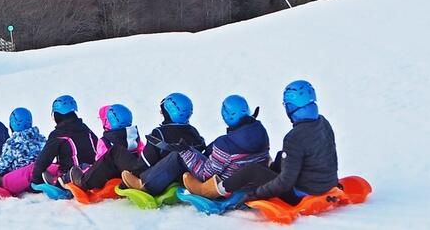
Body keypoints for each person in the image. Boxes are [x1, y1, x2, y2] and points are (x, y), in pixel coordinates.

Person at [184, 80, 339, 205]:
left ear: (290, 107)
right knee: (281, 156)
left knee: (253, 170)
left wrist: (256, 193)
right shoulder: (323, 122)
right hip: (326, 184)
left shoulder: (294, 138)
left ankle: (210, 190)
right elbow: (329, 156)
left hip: (299, 193)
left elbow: (285, 184)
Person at [121, 94, 269, 196]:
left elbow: (207, 173)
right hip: (243, 178)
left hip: (221, 183)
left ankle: (145, 184)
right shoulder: (260, 132)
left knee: (177, 155)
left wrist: (185, 152)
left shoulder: (225, 143)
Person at [65, 104, 144, 190]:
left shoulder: (105, 141)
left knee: (83, 167)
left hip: (111, 177)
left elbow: (100, 161)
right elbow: (141, 152)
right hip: (130, 174)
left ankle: (68, 180)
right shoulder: (135, 138)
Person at [138, 92, 206, 169]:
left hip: (166, 177)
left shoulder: (159, 133)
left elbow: (145, 163)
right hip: (193, 175)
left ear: (168, 113)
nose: (161, 112)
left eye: (163, 111)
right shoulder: (193, 131)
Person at [0, 107, 47, 187]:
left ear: (13, 123)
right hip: (38, 177)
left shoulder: (13, 143)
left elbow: (3, 164)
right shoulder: (42, 139)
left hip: (19, 181)